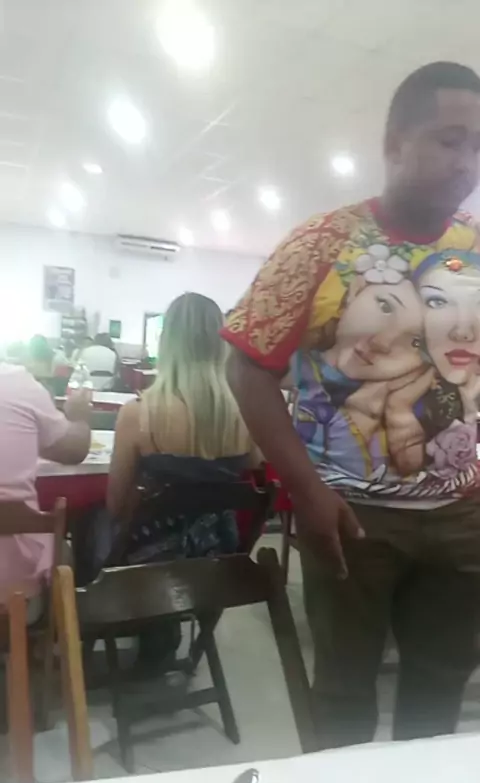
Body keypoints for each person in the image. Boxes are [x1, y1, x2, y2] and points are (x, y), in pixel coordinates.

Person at [223, 61, 480, 747]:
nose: (466, 162)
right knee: (342, 694)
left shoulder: (476, 246)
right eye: (449, 140)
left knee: (440, 690)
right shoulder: (321, 245)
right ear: (395, 143)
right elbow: (245, 368)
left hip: (461, 515)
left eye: (478, 146)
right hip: (350, 514)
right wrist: (305, 491)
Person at [107, 292, 258, 668]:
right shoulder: (246, 414)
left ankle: (98, 618)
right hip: (217, 559)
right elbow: (255, 468)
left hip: (149, 562)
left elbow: (115, 504)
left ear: (167, 343)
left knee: (88, 529)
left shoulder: (138, 415)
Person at [0, 361, 91, 618]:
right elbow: (74, 450)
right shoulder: (18, 383)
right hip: (14, 598)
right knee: (63, 552)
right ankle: (51, 634)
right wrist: (80, 418)